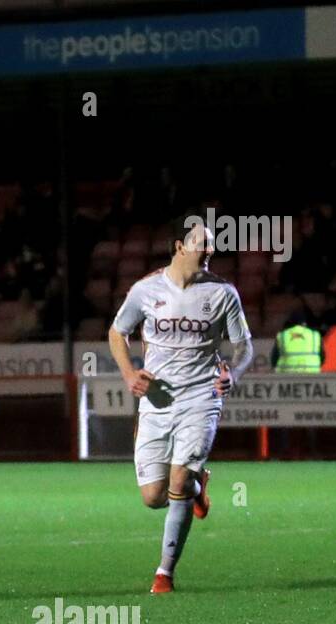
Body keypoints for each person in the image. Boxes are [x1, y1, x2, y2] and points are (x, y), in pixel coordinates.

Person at [108, 215, 254, 594]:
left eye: (211, 244)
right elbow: (117, 332)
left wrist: (233, 373)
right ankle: (196, 486)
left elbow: (244, 346)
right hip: (157, 400)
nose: (208, 249)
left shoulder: (223, 293)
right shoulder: (146, 290)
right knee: (152, 497)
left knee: (177, 479)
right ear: (178, 247)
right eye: (199, 242)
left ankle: (164, 574)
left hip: (201, 397)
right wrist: (128, 373)